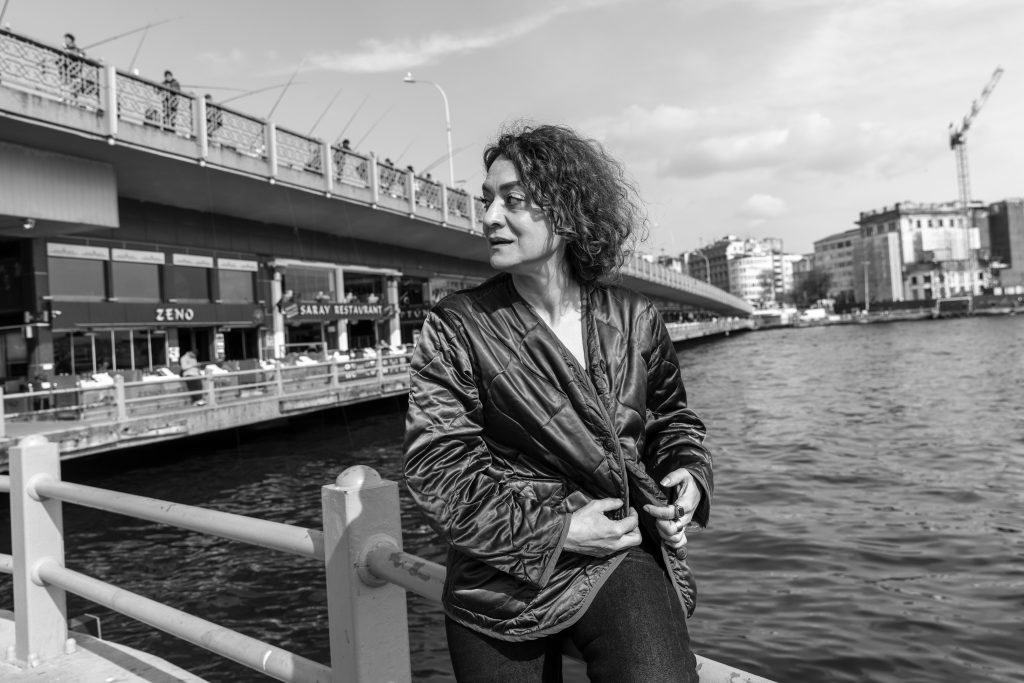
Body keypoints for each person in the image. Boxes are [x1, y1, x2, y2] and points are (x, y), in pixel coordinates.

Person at [404, 124, 713, 682]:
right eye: (488, 199)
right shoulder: (457, 325)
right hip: (498, 576)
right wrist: (558, 530)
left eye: (512, 199)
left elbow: (671, 419)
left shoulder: (635, 317)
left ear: (568, 211)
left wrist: (686, 472)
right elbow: (437, 469)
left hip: (615, 554)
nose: (489, 217)